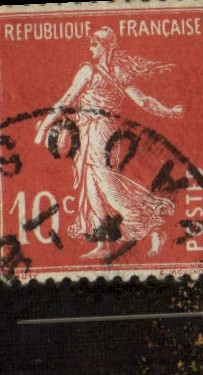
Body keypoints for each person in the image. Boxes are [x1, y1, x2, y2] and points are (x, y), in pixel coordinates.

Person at [34, 28, 183, 259]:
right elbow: (68, 99)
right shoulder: (93, 70)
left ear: (106, 46)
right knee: (91, 185)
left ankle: (152, 227)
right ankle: (103, 243)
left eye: (94, 44)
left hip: (102, 132)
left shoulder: (101, 71)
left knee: (107, 186)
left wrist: (169, 112)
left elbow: (142, 100)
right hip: (88, 131)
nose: (91, 48)